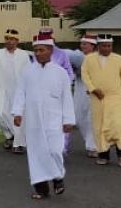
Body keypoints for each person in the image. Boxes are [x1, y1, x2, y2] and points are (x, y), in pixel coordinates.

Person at [11, 32, 76, 199]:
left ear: (50, 50)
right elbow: (20, 93)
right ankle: (41, 189)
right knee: (36, 154)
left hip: (54, 119)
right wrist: (17, 112)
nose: (38, 53)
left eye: (41, 50)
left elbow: (67, 98)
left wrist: (68, 120)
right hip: (33, 121)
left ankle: (58, 177)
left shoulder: (60, 73)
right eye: (35, 51)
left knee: (55, 150)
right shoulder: (27, 72)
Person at [80, 35, 121, 168]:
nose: (107, 48)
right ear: (98, 46)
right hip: (97, 98)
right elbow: (85, 75)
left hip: (114, 98)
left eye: (109, 46)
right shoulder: (89, 59)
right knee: (98, 126)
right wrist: (93, 89)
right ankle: (103, 155)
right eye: (104, 46)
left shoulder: (119, 59)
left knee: (118, 125)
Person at [0, 28, 30, 154]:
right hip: (1, 89)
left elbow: (28, 73)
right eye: (7, 39)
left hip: (18, 90)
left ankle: (18, 144)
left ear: (17, 41)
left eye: (12, 39)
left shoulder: (23, 55)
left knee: (16, 115)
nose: (9, 41)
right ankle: (9, 135)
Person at [70, 36, 99, 158]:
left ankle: (93, 146)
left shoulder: (98, 59)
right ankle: (91, 141)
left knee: (91, 118)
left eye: (85, 44)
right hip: (79, 90)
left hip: (92, 91)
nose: (82, 46)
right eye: (82, 44)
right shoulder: (77, 57)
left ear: (93, 46)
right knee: (78, 117)